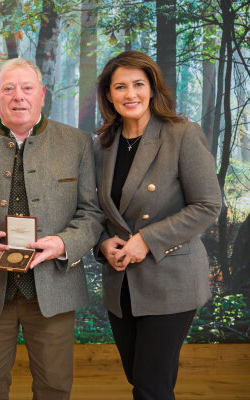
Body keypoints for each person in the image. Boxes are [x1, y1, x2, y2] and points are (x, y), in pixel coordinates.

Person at [0, 58, 104, 399]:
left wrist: (64, 244)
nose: (18, 96)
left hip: (54, 287)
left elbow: (92, 213)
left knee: (54, 386)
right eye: (8, 88)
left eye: (27, 88)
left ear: (41, 94)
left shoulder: (77, 143)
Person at [94, 50, 221, 399]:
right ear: (109, 94)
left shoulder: (182, 134)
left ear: (152, 88)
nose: (130, 94)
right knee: (139, 379)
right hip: (120, 283)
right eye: (120, 86)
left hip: (171, 280)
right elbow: (95, 211)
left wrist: (147, 239)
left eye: (138, 84)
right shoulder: (102, 145)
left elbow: (209, 204)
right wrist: (104, 243)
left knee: (152, 387)